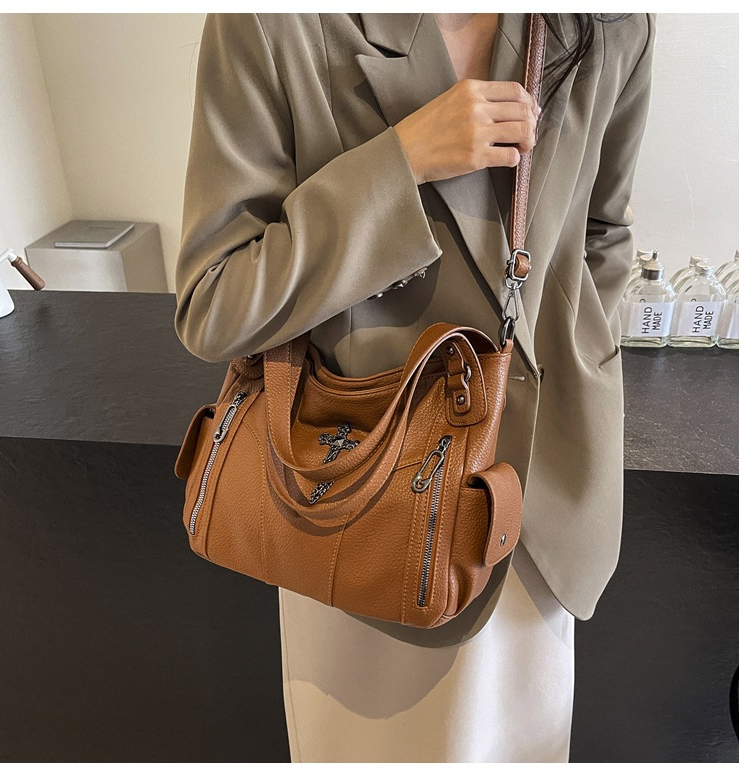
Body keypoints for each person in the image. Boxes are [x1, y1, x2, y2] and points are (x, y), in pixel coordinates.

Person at [174, 12, 656, 763]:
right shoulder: (273, 24)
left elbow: (603, 231)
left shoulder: (610, 22)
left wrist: (581, 356)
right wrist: (398, 165)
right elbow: (215, 301)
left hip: (544, 500)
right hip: (360, 503)